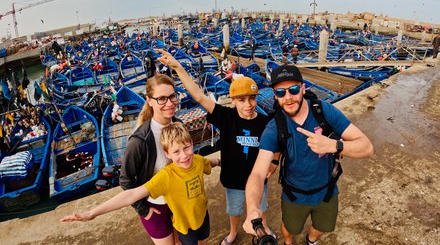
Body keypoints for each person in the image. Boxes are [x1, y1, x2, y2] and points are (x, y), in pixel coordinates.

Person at [243, 64, 374, 245]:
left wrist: (334, 145)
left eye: (294, 90)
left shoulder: (324, 111)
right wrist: (252, 209)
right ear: (275, 95)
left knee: (321, 228)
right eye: (281, 92)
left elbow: (367, 147)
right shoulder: (274, 127)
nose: (288, 98)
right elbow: (257, 173)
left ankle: (310, 240)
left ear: (303, 88)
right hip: (294, 195)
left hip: (326, 191)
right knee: (289, 230)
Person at [156, 49, 274, 245]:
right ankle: (233, 231)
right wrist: (177, 67)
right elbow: (200, 97)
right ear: (233, 101)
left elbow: (276, 142)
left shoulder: (265, 121)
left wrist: (274, 162)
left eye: (252, 98)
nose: (248, 104)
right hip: (233, 179)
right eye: (242, 100)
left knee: (261, 208)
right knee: (234, 210)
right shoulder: (226, 117)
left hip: (259, 179)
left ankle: (265, 228)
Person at [61, 122, 221, 245]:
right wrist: (92, 213)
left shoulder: (198, 161)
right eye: (176, 152)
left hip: (203, 216)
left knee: (204, 241)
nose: (184, 156)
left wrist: (221, 161)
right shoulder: (166, 176)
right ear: (167, 154)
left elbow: (211, 162)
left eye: (186, 148)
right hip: (185, 226)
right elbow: (130, 195)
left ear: (192, 144)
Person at [118, 74, 181, 245]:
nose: (169, 103)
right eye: (161, 98)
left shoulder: (179, 125)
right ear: (149, 100)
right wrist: (143, 210)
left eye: (172, 96)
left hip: (179, 201)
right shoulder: (139, 141)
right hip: (155, 206)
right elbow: (125, 180)